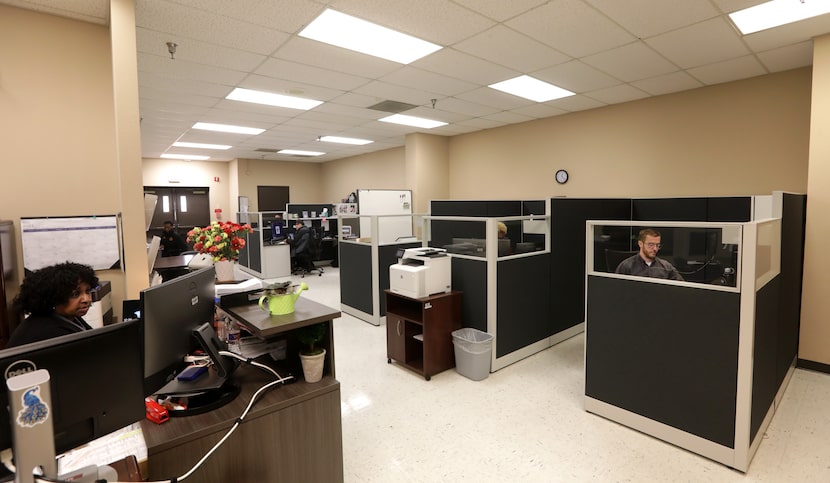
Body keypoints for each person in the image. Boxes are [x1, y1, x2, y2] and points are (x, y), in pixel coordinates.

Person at [7, 262, 98, 347]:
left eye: (87, 291)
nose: (86, 299)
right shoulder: (47, 331)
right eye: (75, 294)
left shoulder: (69, 317)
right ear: (53, 298)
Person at [615, 228, 684, 281]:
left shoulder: (666, 267)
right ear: (640, 244)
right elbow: (616, 289)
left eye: (657, 245)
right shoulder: (627, 266)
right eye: (651, 245)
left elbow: (681, 286)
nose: (655, 249)